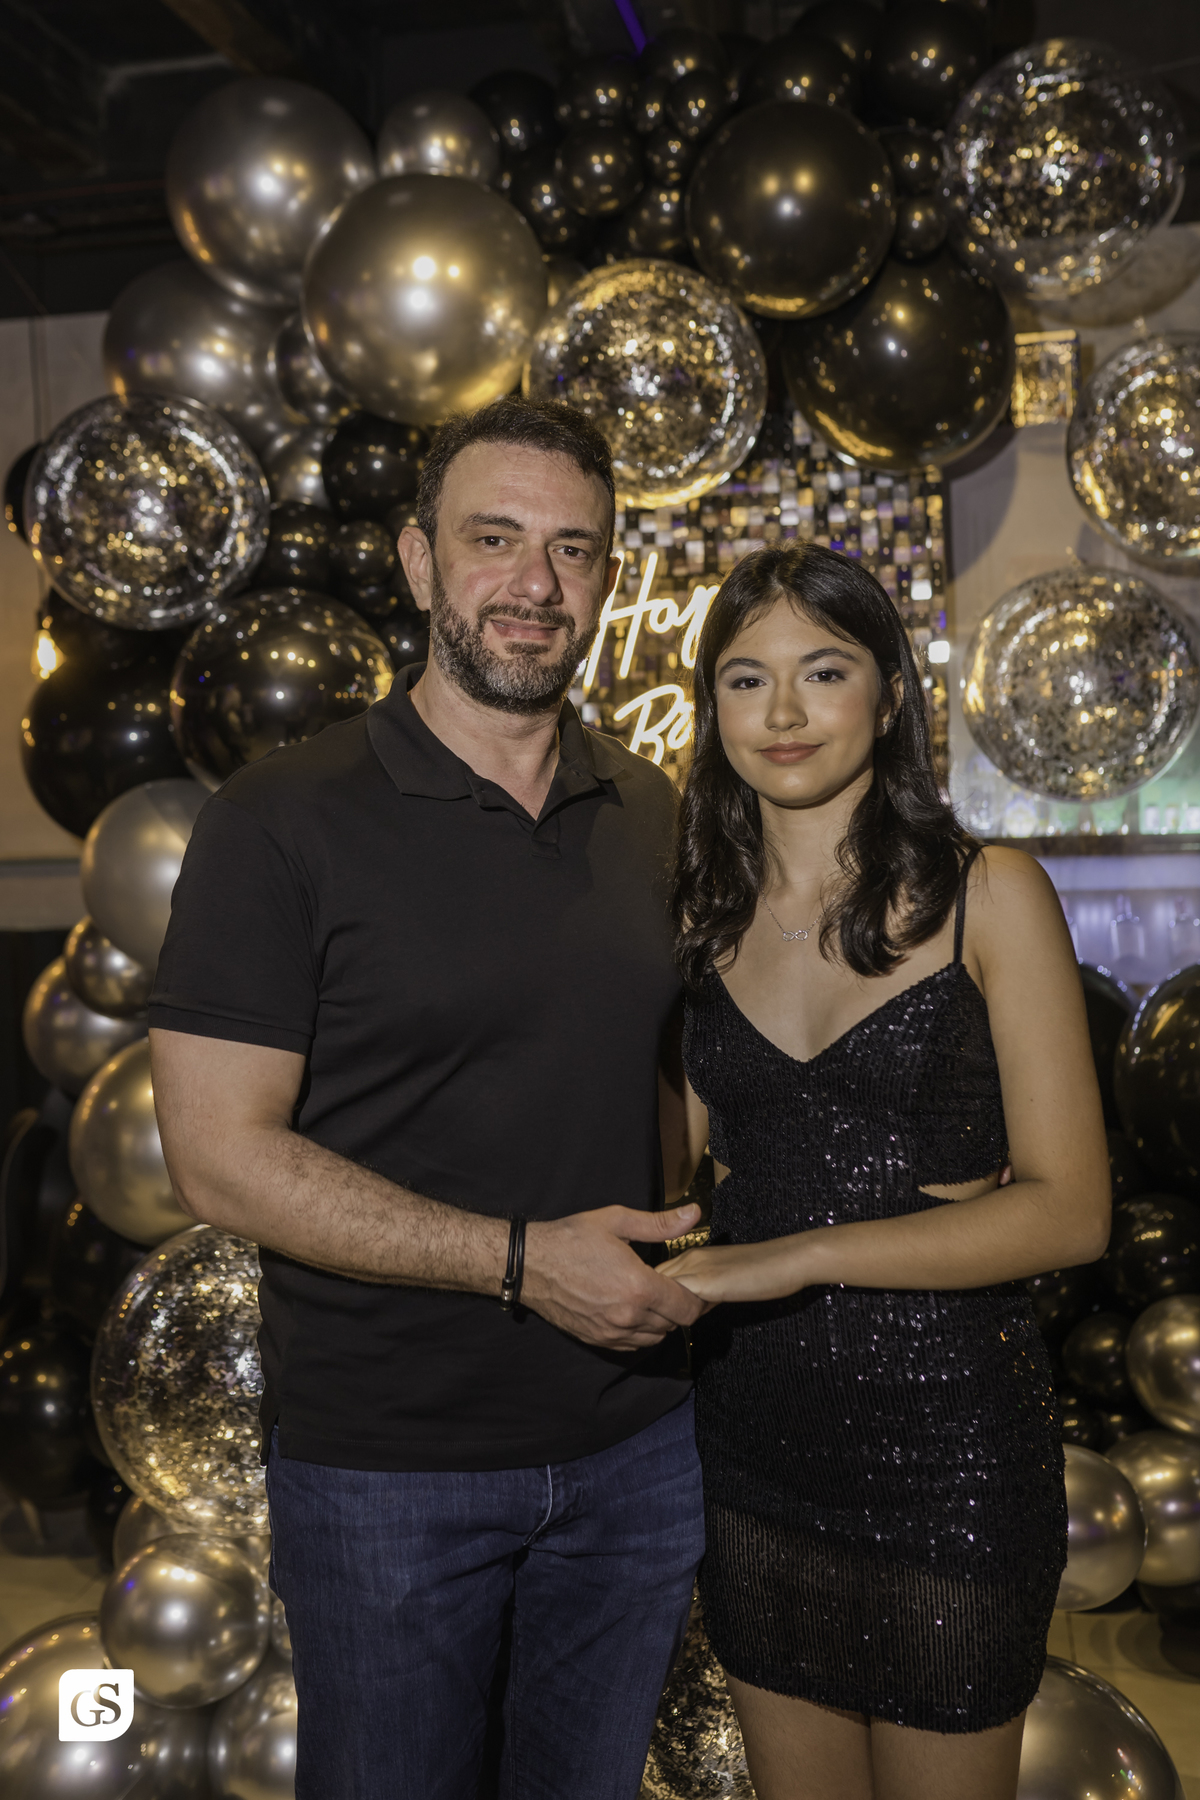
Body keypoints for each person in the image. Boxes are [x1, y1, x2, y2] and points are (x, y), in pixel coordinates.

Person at [147, 395, 708, 1800]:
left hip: (639, 1452)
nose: (535, 585)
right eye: (495, 540)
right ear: (416, 563)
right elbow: (218, 1160)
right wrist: (522, 1265)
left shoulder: (656, 813)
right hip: (389, 1474)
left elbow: (683, 1089)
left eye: (575, 550)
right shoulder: (281, 820)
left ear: (609, 579)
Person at [656, 543, 1110, 1800]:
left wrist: (791, 1251)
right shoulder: (693, 923)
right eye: (746, 681)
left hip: (949, 1455)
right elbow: (675, 1182)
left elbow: (1070, 1212)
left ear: (891, 694)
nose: (785, 714)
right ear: (714, 710)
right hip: (753, 1447)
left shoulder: (991, 897)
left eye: (824, 671)